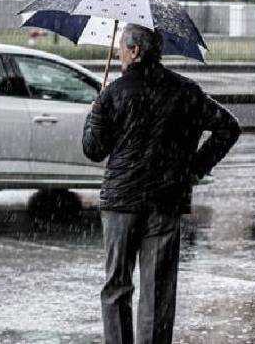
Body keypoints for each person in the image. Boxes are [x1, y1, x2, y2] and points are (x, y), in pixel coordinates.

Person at [83, 24, 241, 344]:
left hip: (121, 203)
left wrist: (94, 116)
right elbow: (228, 127)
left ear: (135, 51)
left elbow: (93, 149)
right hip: (166, 200)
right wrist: (194, 169)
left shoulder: (112, 93)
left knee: (116, 286)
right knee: (158, 293)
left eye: (122, 47)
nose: (119, 53)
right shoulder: (186, 91)